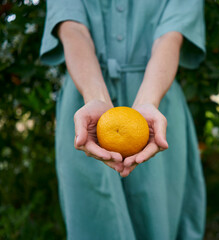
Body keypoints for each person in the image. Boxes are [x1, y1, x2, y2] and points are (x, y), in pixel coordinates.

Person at [40, 0, 206, 239]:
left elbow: (169, 38)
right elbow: (72, 28)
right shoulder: (90, 112)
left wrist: (148, 102)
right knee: (94, 219)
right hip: (86, 110)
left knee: (158, 215)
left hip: (157, 105)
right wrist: (95, 98)